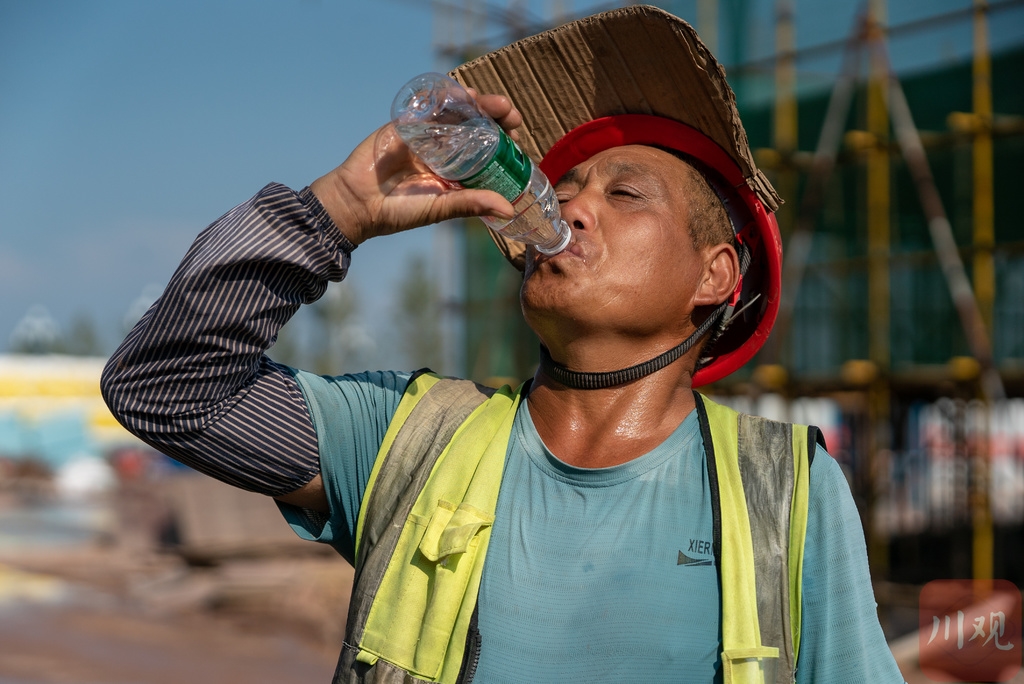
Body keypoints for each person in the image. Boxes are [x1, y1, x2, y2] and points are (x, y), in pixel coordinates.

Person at [101, 6, 905, 683]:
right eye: (565, 192)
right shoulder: (406, 439)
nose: (573, 209)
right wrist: (340, 207)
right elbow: (164, 385)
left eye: (623, 194)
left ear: (715, 273)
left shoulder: (788, 491)